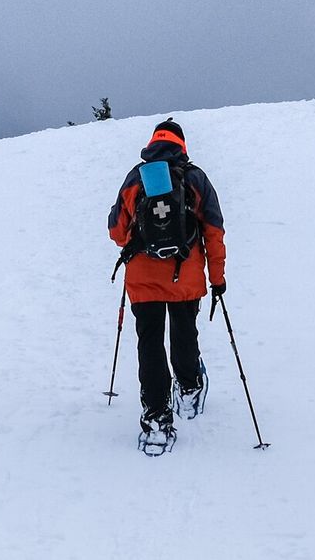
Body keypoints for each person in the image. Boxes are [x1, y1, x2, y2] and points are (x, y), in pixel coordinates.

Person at [108, 118, 226, 451]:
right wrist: (217, 280)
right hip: (184, 276)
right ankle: (188, 391)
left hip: (143, 280)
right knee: (184, 333)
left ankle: (157, 421)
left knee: (149, 344)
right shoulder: (195, 179)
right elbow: (213, 232)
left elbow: (118, 231)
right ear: (182, 145)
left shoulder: (137, 177)